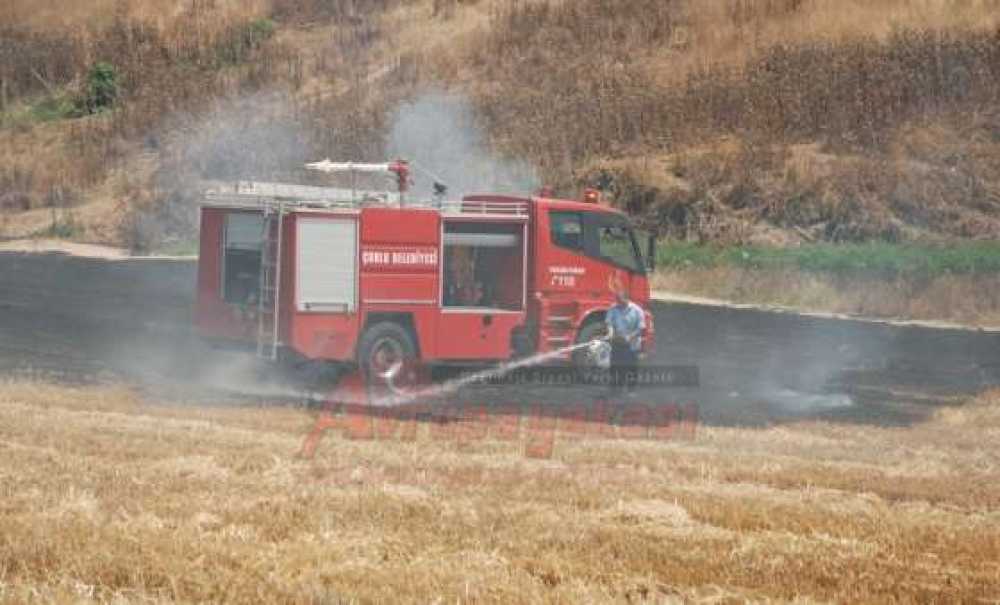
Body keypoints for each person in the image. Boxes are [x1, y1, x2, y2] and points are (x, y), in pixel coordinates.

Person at [605, 287, 645, 395]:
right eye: (618, 301)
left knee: (631, 368)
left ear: (627, 299)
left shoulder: (637, 311)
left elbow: (641, 329)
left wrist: (630, 337)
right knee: (614, 367)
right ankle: (614, 389)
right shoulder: (613, 308)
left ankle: (631, 390)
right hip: (617, 343)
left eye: (621, 302)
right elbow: (609, 323)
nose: (619, 304)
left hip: (632, 344)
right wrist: (610, 333)